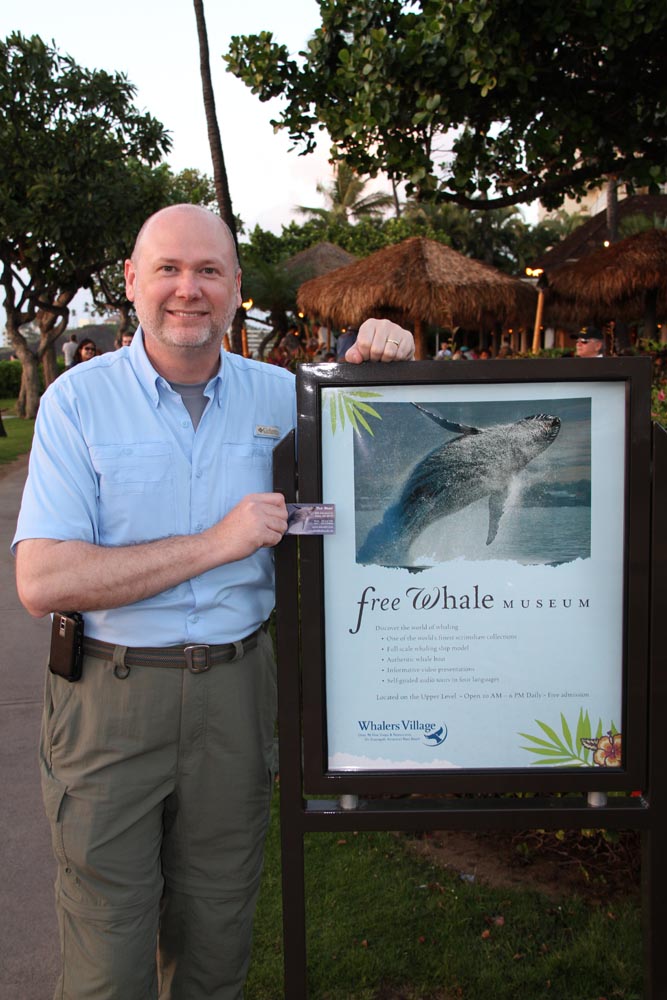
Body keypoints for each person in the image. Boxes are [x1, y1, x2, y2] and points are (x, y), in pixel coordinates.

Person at [12, 203, 414, 1000]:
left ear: (236, 290)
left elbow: (384, 461)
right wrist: (217, 542)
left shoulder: (286, 395)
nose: (186, 289)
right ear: (132, 282)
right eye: (167, 268)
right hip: (108, 697)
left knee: (218, 937)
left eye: (208, 271)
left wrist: (382, 354)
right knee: (107, 952)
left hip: (235, 693)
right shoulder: (77, 402)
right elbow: (43, 582)